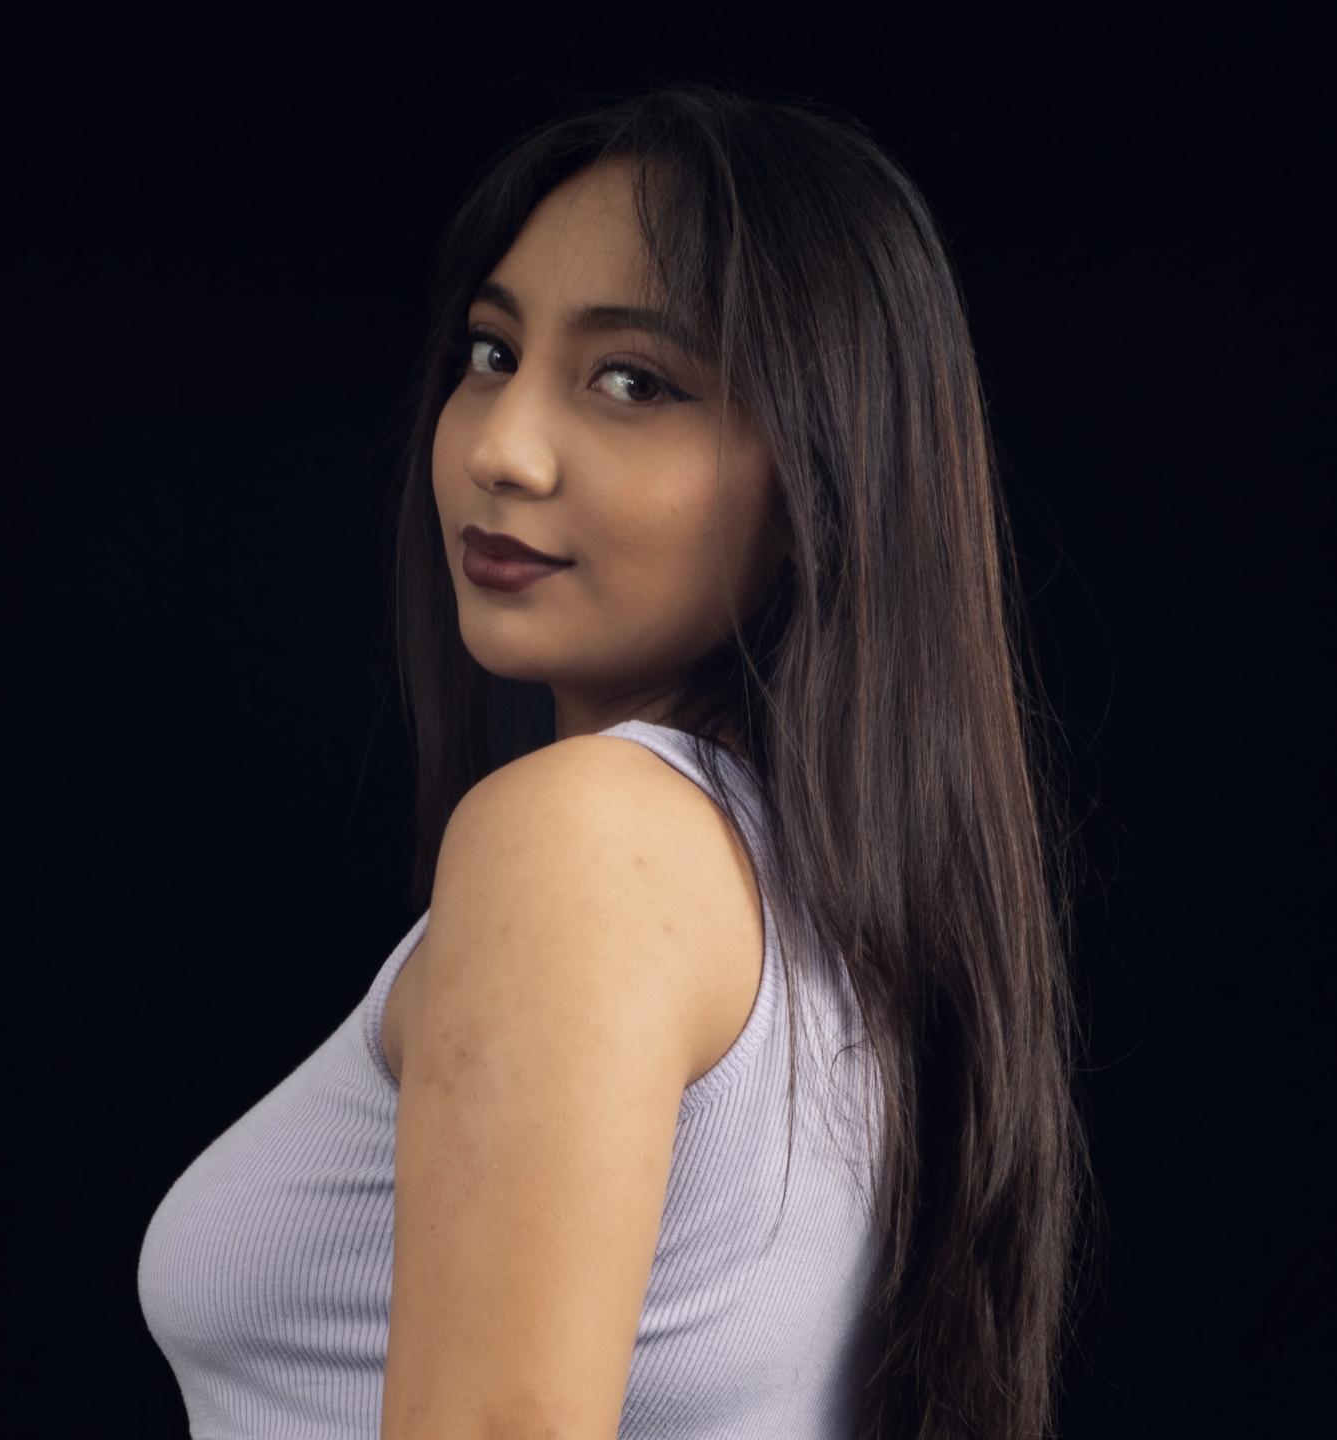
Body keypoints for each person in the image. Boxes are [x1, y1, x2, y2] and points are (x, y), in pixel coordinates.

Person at [138, 80, 1094, 1440]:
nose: (502, 449)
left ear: (825, 475)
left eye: (633, 381)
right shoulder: (831, 906)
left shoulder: (584, 838)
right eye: (489, 352)